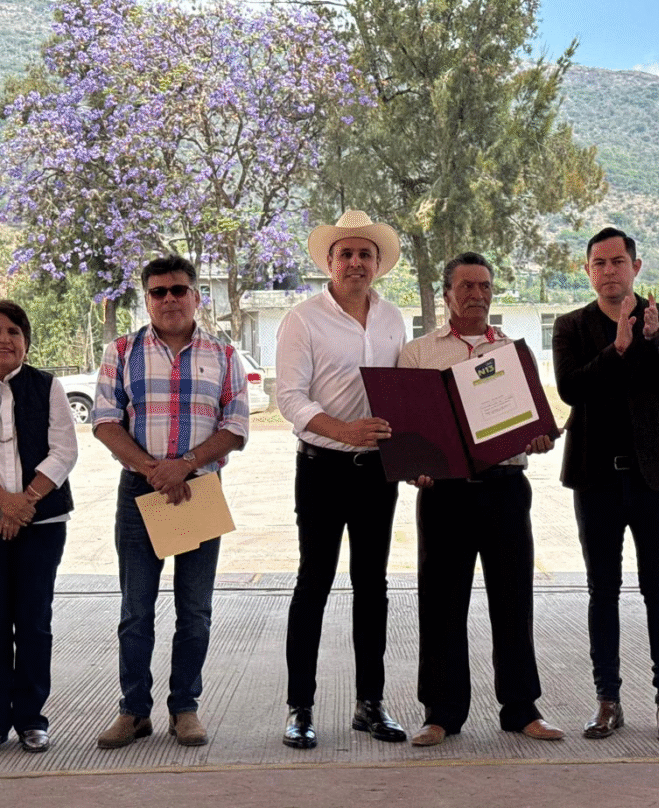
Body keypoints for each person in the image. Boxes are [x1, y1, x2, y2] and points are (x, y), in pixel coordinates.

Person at [399, 251, 564, 747]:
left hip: (505, 488)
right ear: (447, 293)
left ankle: (521, 709)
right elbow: (406, 428)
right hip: (444, 494)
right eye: (466, 286)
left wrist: (539, 438)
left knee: (513, 601)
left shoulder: (513, 352)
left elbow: (536, 423)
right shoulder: (419, 353)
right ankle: (441, 714)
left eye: (485, 286)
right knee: (440, 604)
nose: (477, 294)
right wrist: (413, 466)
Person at [93, 255, 249, 749]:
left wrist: (184, 465)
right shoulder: (122, 351)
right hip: (141, 493)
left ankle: (185, 708)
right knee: (136, 610)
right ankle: (133, 711)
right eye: (158, 292)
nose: (169, 299)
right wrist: (154, 470)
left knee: (195, 610)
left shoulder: (224, 354)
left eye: (178, 289)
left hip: (198, 489)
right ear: (147, 300)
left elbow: (236, 426)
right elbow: (104, 422)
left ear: (196, 296)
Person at [552, 227, 659, 743]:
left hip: (656, 477)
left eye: (618, 261)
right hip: (595, 477)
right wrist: (616, 349)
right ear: (588, 271)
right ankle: (607, 701)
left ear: (636, 266)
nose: (609, 271)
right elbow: (570, 389)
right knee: (602, 590)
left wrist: (655, 340)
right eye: (599, 263)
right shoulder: (571, 326)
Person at [275, 210, 407, 749]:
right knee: (314, 584)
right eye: (346, 253)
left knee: (373, 587)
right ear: (329, 262)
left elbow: (403, 394)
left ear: (377, 263)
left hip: (378, 473)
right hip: (322, 468)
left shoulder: (393, 318)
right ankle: (300, 707)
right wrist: (344, 431)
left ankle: (370, 703)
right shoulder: (302, 320)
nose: (355, 262)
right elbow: (289, 398)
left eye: (364, 254)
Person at [0, 301, 77, 753]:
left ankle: (31, 719)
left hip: (42, 523)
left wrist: (23, 503)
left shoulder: (47, 386)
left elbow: (64, 451)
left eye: (14, 331)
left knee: (33, 622)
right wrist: (4, 505)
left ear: (26, 340)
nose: (5, 340)